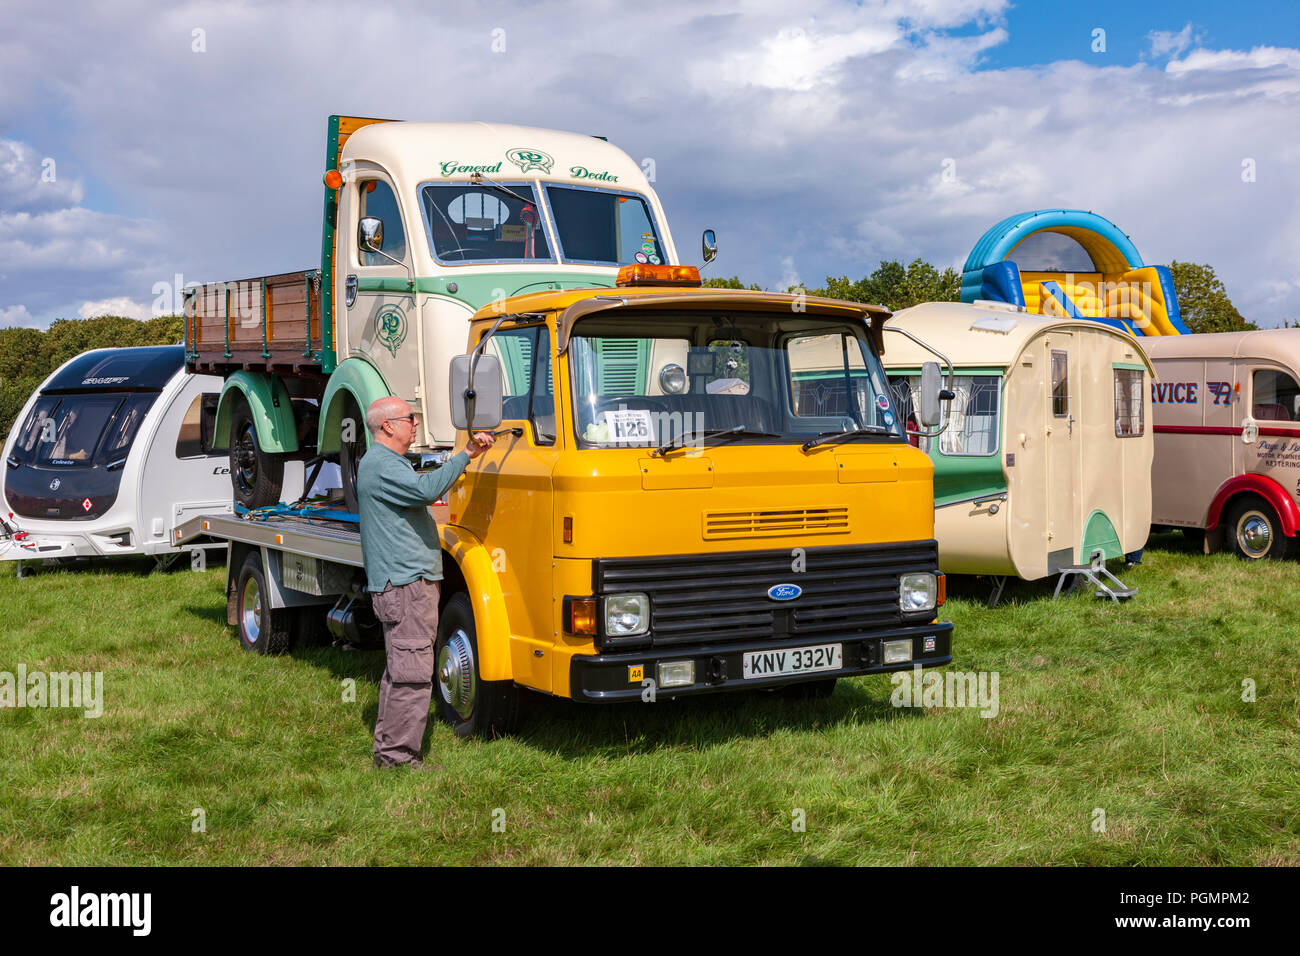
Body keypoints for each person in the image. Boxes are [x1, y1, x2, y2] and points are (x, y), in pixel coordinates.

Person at [357, 395, 495, 770]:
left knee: (400, 670)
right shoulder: (383, 465)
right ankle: (399, 758)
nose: (415, 423)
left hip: (401, 585)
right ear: (388, 426)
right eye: (409, 418)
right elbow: (425, 491)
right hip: (406, 587)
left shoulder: (383, 463)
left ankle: (388, 751)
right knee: (413, 674)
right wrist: (465, 454)